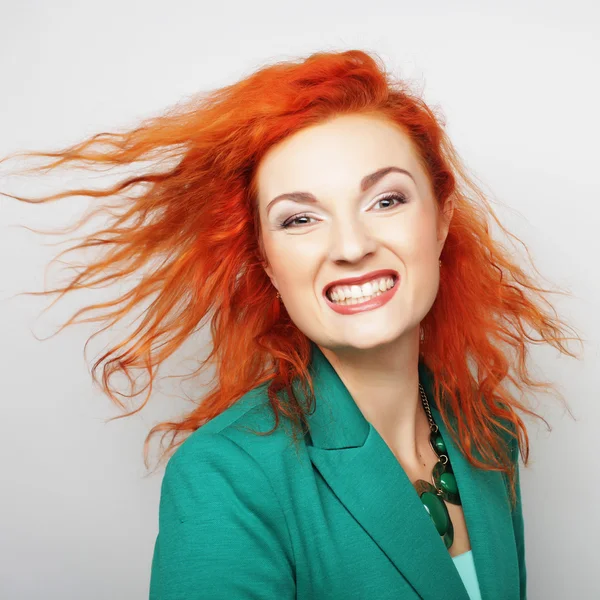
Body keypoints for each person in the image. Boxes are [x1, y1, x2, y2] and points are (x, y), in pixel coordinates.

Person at [1, 49, 581, 599]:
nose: (352, 246)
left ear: (442, 220)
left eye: (386, 201)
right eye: (300, 218)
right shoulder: (226, 476)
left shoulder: (488, 436)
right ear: (266, 263)